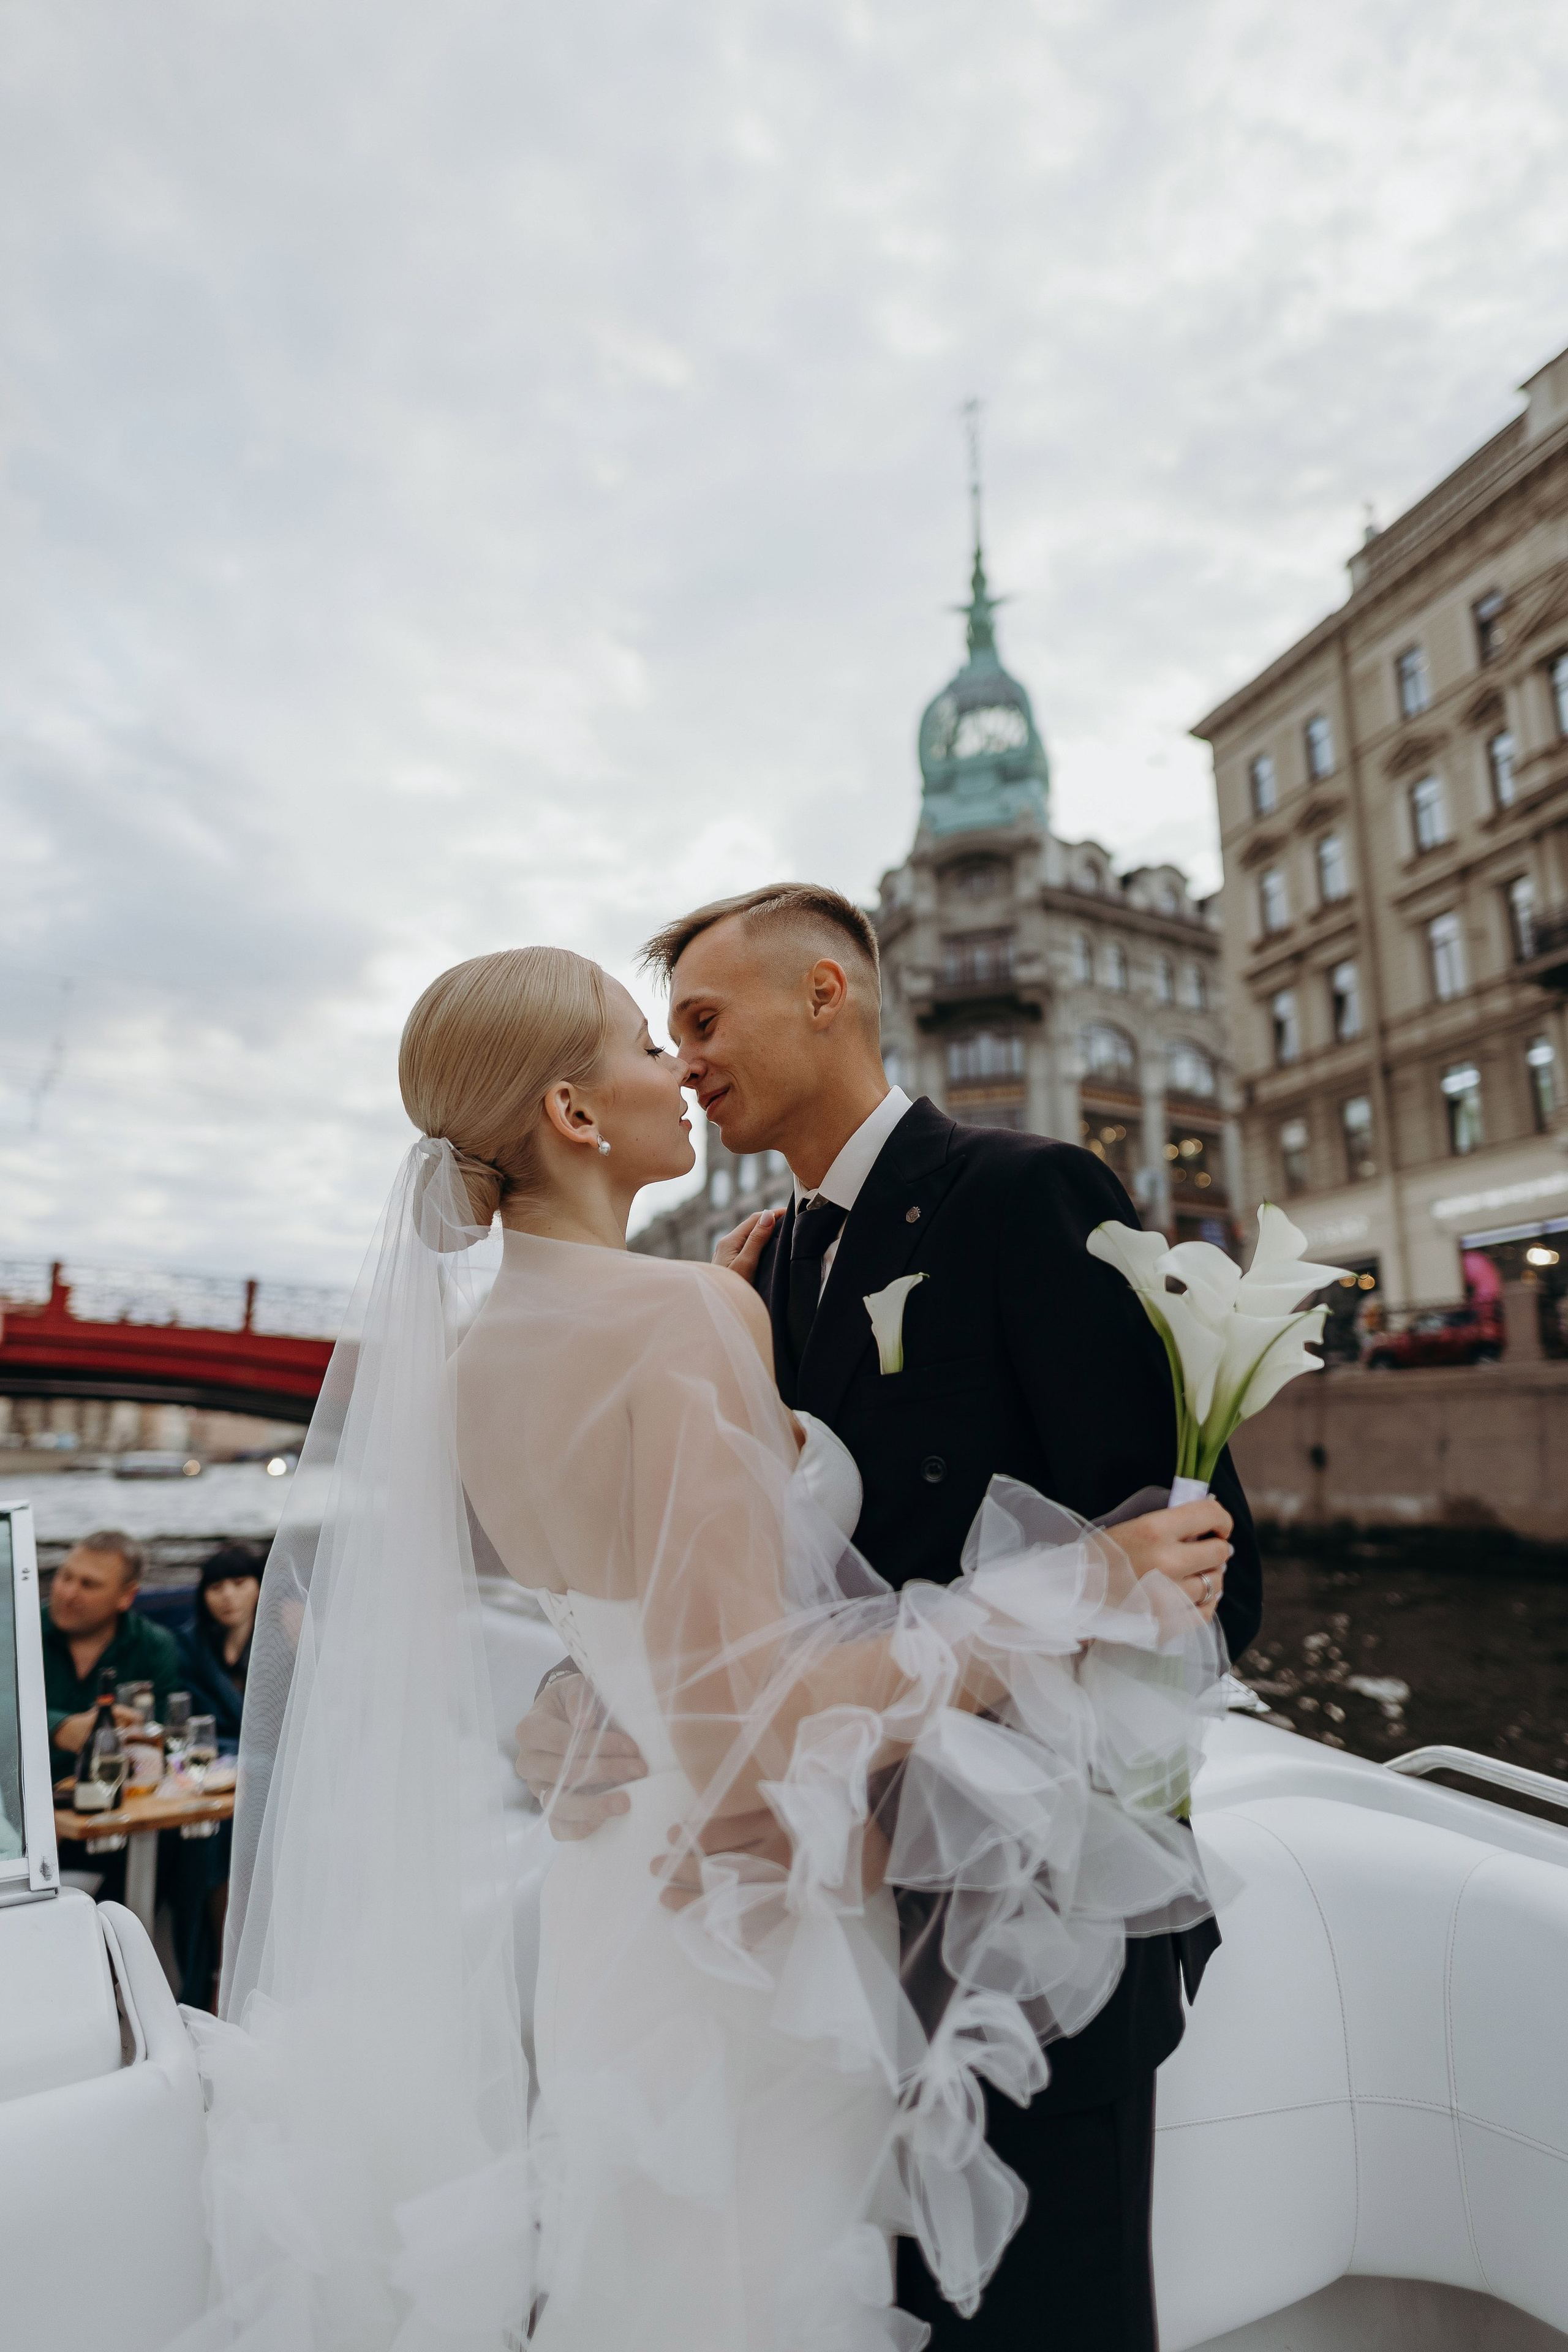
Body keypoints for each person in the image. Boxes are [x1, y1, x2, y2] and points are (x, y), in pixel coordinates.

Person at [196, 943, 1223, 2352]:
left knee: (653, 2273)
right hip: (748, 1906)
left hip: (615, 1890)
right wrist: (1085, 1580)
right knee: (769, 2275)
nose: (674, 1068)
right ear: (570, 1113)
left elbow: (623, 1621)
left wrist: (579, 1686)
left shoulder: (474, 1359)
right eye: (643, 1041)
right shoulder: (684, 1314)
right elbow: (749, 1712)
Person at [514, 884, 1262, 2352]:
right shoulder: (755, 1275)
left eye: (703, 1021)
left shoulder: (1025, 1191)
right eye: (667, 1036)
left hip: (1026, 1923)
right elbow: (728, 1575)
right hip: (821, 1929)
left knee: (1041, 2321)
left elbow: (1202, 1564)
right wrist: (587, 1691)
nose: (684, 1062)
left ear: (825, 993)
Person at [43, 1529, 182, 1781]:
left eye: (89, 1584)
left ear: (127, 1596)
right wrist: (60, 1728)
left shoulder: (155, 1646)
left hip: (118, 1793)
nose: (68, 1594)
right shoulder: (12, 1633)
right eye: (65, 1576)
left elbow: (166, 1738)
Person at [179, 1544, 262, 1740]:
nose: (228, 1595)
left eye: (239, 1583)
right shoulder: (188, 1646)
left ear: (260, 1586)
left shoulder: (285, 1638)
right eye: (216, 1588)